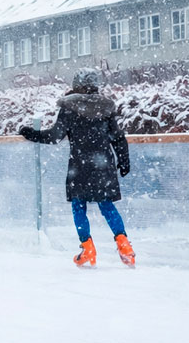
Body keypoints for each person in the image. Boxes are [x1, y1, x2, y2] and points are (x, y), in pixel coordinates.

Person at [19, 68, 135, 268]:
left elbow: (54, 136)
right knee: (107, 205)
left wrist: (31, 133)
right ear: (95, 85)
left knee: (78, 205)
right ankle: (124, 246)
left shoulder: (69, 107)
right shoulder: (105, 108)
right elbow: (117, 137)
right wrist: (123, 160)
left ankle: (87, 248)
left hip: (80, 165)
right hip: (103, 163)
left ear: (75, 85)